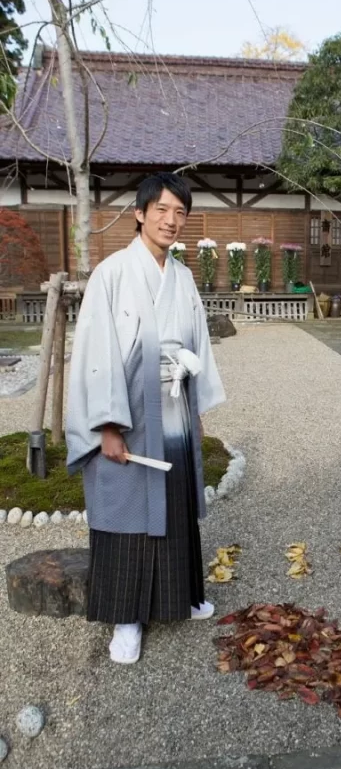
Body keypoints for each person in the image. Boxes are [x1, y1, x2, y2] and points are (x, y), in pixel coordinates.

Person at [66, 172, 225, 663]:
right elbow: (96, 352)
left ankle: (180, 596)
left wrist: (195, 411)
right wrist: (108, 425)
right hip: (129, 411)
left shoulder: (182, 277)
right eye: (161, 210)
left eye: (180, 212)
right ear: (139, 213)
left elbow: (197, 344)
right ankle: (126, 619)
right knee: (127, 509)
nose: (171, 220)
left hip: (173, 406)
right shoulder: (112, 273)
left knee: (173, 503)